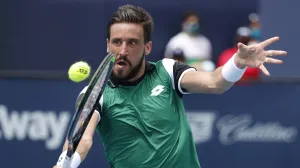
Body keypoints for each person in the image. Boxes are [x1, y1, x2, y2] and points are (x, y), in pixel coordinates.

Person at [54, 5, 287, 168]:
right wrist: (66, 163)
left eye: (132, 43)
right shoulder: (95, 93)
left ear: (147, 48)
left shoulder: (167, 71)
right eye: (117, 42)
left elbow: (215, 83)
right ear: (108, 45)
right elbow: (82, 139)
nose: (123, 51)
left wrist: (237, 62)